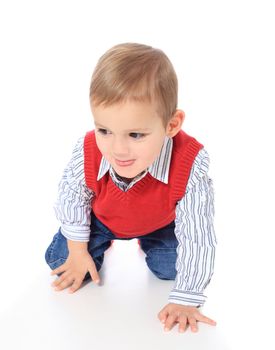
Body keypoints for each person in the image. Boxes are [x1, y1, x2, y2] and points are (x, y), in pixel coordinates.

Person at [45, 42, 217, 333]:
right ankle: (98, 246)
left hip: (161, 224)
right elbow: (73, 195)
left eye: (136, 134)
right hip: (101, 220)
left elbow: (198, 233)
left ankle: (146, 242)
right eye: (105, 131)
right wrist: (78, 249)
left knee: (171, 269)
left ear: (171, 124)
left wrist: (187, 298)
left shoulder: (189, 163)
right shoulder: (88, 150)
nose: (118, 149)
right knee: (61, 260)